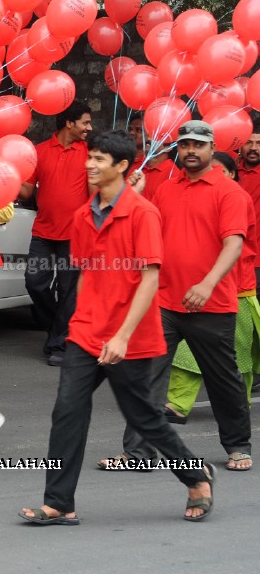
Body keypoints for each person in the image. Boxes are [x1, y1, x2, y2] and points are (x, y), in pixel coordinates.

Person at [19, 130, 215, 525]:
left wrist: (122, 336)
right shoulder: (80, 216)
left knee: (144, 418)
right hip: (87, 333)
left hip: (131, 337)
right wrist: (80, 324)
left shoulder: (143, 213)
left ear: (122, 166)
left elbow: (148, 278)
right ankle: (59, 503)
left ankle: (196, 478)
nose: (90, 165)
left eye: (100, 159)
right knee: (67, 412)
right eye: (89, 157)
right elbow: (89, 274)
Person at [105, 120, 253, 472]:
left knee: (223, 379)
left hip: (212, 304)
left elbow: (234, 244)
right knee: (147, 377)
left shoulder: (230, 192)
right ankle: (138, 454)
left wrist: (206, 284)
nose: (190, 151)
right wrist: (135, 195)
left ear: (211, 148)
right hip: (164, 301)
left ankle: (237, 446)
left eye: (198, 146)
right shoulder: (167, 190)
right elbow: (143, 226)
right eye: (185, 145)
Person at [165, 152, 260, 423]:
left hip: (235, 291)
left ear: (232, 175)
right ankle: (177, 405)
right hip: (190, 292)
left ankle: (238, 411)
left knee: (235, 359)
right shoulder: (188, 194)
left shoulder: (236, 198)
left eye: (220, 172)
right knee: (184, 354)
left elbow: (234, 245)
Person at [19, 101, 92, 366]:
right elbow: (26, 191)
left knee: (68, 290)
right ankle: (56, 329)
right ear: (69, 123)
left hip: (75, 236)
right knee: (34, 282)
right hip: (43, 232)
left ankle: (59, 343)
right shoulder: (38, 152)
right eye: (85, 122)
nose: (89, 128)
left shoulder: (89, 154)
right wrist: (10, 171)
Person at [128, 112, 176, 202]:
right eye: (149, 134)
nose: (149, 139)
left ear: (168, 148)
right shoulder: (135, 166)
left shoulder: (173, 174)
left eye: (156, 137)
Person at [236, 120, 260, 287]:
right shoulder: (229, 173)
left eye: (259, 143)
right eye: (248, 143)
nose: (253, 148)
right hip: (233, 257)